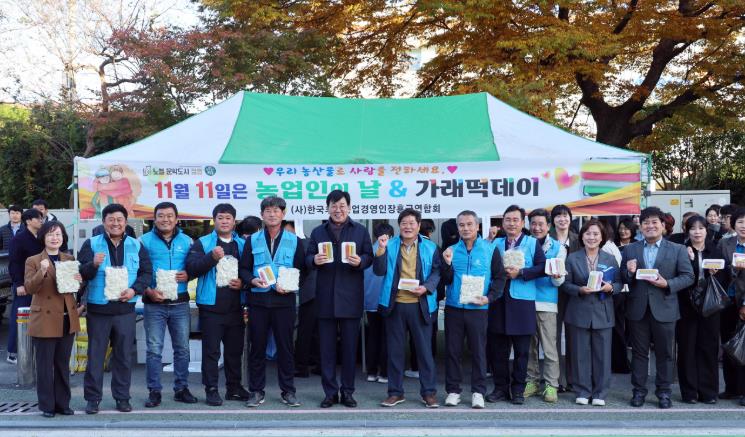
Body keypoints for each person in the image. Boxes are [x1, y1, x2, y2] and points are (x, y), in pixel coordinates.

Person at [78, 203, 152, 414]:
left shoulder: (136, 245)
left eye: (119, 220)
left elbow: (146, 273)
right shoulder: (92, 244)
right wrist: (92, 264)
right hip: (98, 311)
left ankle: (122, 398)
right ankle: (93, 399)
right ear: (104, 222)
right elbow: (82, 274)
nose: (115, 223)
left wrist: (134, 290)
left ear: (125, 222)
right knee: (95, 356)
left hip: (125, 310)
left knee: (123, 357)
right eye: (111, 220)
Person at [621, 206, 694, 409]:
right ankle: (638, 392)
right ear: (640, 227)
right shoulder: (630, 249)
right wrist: (629, 272)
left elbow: (688, 276)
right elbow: (623, 278)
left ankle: (664, 393)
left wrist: (667, 284)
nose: (650, 226)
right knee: (639, 353)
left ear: (663, 225)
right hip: (638, 309)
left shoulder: (677, 249)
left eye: (654, 222)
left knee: (665, 354)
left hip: (665, 308)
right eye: (646, 223)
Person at [305, 190, 373, 408]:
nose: (338, 210)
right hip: (325, 298)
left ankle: (348, 392)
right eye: (334, 206)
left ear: (349, 207)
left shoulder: (360, 230)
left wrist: (360, 261)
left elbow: (369, 256)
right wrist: (314, 260)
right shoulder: (318, 231)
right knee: (326, 350)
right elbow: (307, 257)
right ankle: (330, 393)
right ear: (328, 208)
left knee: (349, 350)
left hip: (350, 298)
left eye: (342, 205)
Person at [239, 196, 306, 408]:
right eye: (268, 211)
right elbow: (243, 269)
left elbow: (303, 271)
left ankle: (288, 391)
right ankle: (256, 391)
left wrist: (291, 285)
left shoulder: (295, 241)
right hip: (258, 301)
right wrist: (252, 280)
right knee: (257, 348)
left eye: (276, 210)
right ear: (262, 215)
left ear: (283, 214)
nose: (272, 214)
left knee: (285, 348)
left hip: (284, 302)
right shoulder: (252, 240)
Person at [374, 208, 443, 408]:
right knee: (394, 352)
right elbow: (379, 271)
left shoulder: (430, 246)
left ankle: (428, 393)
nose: (408, 226)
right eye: (404, 223)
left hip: (420, 304)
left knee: (424, 352)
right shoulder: (388, 244)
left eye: (412, 223)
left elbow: (437, 272)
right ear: (399, 226)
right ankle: (395, 392)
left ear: (419, 226)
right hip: (394, 304)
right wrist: (380, 250)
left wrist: (427, 287)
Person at [441, 210, 506, 409]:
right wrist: (447, 264)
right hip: (454, 307)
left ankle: (478, 392)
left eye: (470, 224)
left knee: (478, 351)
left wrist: (489, 297)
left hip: (478, 308)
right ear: (457, 228)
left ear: (477, 226)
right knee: (453, 351)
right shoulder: (451, 250)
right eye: (461, 225)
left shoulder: (490, 249)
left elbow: (500, 277)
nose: (466, 228)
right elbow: (446, 279)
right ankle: (453, 391)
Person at [186, 203, 248, 406]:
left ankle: (234, 387)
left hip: (236, 307)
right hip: (211, 307)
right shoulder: (202, 243)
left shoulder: (242, 244)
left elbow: (249, 270)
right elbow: (192, 269)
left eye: (228, 218)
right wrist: (211, 257)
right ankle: (211, 389)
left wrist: (243, 283)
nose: (224, 221)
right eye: (220, 218)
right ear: (214, 220)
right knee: (211, 352)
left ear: (234, 221)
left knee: (234, 351)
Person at [139, 202, 198, 408]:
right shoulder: (143, 241)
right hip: (153, 303)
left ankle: (181, 389)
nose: (166, 219)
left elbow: (194, 266)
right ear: (154, 219)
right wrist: (148, 291)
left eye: (170, 215)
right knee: (154, 349)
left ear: (176, 219)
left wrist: (189, 274)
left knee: (182, 349)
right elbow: (137, 271)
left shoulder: (187, 241)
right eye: (161, 216)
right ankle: (154, 391)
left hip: (180, 303)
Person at [487, 205, 546, 404]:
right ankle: (500, 389)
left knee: (522, 352)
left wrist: (521, 273)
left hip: (522, 303)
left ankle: (518, 390)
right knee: (498, 351)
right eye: (508, 220)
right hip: (498, 301)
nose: (511, 223)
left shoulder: (532, 243)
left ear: (522, 223)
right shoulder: (495, 243)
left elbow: (542, 267)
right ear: (502, 223)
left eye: (515, 220)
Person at [561, 219, 622, 406]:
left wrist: (611, 287)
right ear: (582, 236)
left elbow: (619, 283)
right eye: (588, 233)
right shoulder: (572, 258)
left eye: (596, 234)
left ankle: (600, 393)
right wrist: (579, 290)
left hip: (603, 312)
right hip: (578, 310)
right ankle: (582, 391)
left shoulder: (610, 258)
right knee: (580, 354)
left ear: (602, 237)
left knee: (602, 355)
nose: (592, 237)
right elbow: (565, 284)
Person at [24, 221, 82, 417]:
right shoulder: (33, 260)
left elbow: (73, 289)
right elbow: (29, 288)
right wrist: (41, 271)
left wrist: (79, 282)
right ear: (43, 237)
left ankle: (63, 404)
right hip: (45, 320)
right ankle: (47, 405)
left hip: (66, 319)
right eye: (50, 234)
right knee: (45, 366)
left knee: (62, 365)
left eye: (58, 234)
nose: (54, 238)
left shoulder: (69, 259)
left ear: (63, 237)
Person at [677, 215, 720, 404]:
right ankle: (689, 392)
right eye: (693, 228)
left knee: (708, 348)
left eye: (701, 228)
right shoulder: (681, 250)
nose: (697, 232)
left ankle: (708, 392)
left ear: (706, 230)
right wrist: (691, 261)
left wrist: (714, 274)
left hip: (710, 307)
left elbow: (726, 277)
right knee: (687, 349)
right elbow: (679, 275)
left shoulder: (715, 250)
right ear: (687, 231)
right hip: (686, 306)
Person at [524, 209, 565, 403]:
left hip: (547, 303)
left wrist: (557, 276)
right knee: (528, 347)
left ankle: (551, 385)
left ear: (548, 226)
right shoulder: (523, 244)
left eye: (541, 224)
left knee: (549, 348)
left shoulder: (558, 247)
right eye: (533, 223)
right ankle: (531, 381)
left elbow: (559, 281)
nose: (537, 227)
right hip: (524, 300)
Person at [6, 208, 44, 364]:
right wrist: (19, 284)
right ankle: (12, 353)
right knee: (20, 317)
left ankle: (30, 350)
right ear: (28, 221)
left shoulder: (41, 237)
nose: (41, 221)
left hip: (39, 283)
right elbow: (14, 263)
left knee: (36, 317)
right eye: (38, 218)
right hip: (23, 285)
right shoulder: (19, 239)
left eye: (42, 218)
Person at [716, 207, 745, 404]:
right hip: (727, 301)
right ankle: (731, 388)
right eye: (740, 222)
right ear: (733, 224)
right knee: (728, 345)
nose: (744, 226)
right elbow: (718, 267)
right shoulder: (725, 243)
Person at [549, 204, 579, 393]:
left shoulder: (578, 238)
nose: (562, 219)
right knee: (553, 337)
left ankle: (573, 379)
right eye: (558, 216)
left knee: (573, 336)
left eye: (565, 215)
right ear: (553, 220)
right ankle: (557, 379)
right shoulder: (547, 240)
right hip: (552, 292)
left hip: (575, 292)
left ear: (570, 218)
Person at [364, 223, 394, 384]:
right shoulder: (392, 250)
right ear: (391, 236)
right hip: (387, 301)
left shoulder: (368, 251)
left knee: (373, 336)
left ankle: (371, 372)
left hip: (369, 301)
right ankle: (384, 373)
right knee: (387, 337)